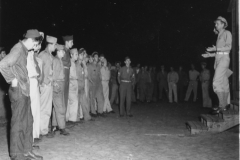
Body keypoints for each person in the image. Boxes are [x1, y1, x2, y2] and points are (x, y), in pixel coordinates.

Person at [0, 29, 43, 160]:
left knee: (28, 121)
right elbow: (2, 64)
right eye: (35, 44)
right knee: (18, 123)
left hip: (25, 89)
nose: (35, 48)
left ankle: (26, 150)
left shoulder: (24, 49)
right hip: (18, 90)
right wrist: (12, 79)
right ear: (30, 40)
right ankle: (16, 155)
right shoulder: (18, 49)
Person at [202, 16, 232, 113]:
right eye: (215, 24)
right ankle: (226, 104)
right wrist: (209, 55)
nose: (215, 25)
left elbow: (228, 48)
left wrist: (216, 49)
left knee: (216, 82)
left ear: (223, 24)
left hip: (223, 60)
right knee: (223, 83)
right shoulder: (219, 35)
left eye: (217, 23)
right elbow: (219, 51)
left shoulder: (227, 33)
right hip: (219, 60)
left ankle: (221, 105)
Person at [38, 35, 57, 138]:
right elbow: (39, 70)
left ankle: (44, 130)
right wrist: (44, 82)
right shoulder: (43, 55)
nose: (55, 47)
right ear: (50, 44)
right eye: (54, 44)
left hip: (49, 84)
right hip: (45, 85)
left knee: (47, 108)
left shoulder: (49, 55)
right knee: (43, 108)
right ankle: (41, 130)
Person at [27, 31, 44, 144]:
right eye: (37, 41)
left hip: (35, 81)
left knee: (36, 110)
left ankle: (35, 134)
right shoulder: (26, 52)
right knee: (31, 110)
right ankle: (30, 137)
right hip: (29, 81)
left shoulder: (33, 54)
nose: (38, 45)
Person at [52, 44, 70, 136]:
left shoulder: (59, 60)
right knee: (60, 107)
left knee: (57, 106)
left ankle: (55, 126)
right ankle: (62, 128)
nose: (64, 53)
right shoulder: (56, 60)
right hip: (57, 84)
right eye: (62, 51)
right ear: (58, 51)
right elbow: (54, 75)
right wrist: (55, 84)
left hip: (60, 83)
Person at [76, 50, 93, 121]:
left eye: (83, 55)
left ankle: (87, 117)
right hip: (77, 85)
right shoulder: (76, 64)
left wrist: (84, 65)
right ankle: (76, 118)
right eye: (81, 55)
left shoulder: (82, 64)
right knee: (77, 103)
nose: (82, 56)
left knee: (84, 102)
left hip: (82, 85)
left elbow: (86, 74)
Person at [88, 52, 105, 117]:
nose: (96, 58)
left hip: (98, 83)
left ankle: (100, 111)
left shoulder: (98, 65)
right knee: (92, 98)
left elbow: (99, 73)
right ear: (93, 57)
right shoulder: (89, 65)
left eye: (97, 57)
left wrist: (100, 79)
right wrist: (90, 81)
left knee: (100, 97)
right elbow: (88, 75)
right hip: (92, 83)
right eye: (95, 57)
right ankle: (93, 112)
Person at [66, 48, 80, 124]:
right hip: (71, 84)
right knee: (74, 101)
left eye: (77, 54)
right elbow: (68, 75)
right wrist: (73, 79)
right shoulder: (69, 63)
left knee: (71, 102)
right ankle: (71, 119)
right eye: (76, 54)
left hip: (74, 84)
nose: (77, 56)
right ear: (71, 55)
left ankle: (68, 118)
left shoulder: (74, 63)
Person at [62, 35, 74, 113]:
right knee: (62, 96)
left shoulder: (68, 51)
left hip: (67, 72)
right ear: (66, 42)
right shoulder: (62, 50)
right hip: (63, 73)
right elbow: (63, 62)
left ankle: (63, 120)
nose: (72, 44)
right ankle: (58, 122)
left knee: (65, 96)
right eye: (71, 42)